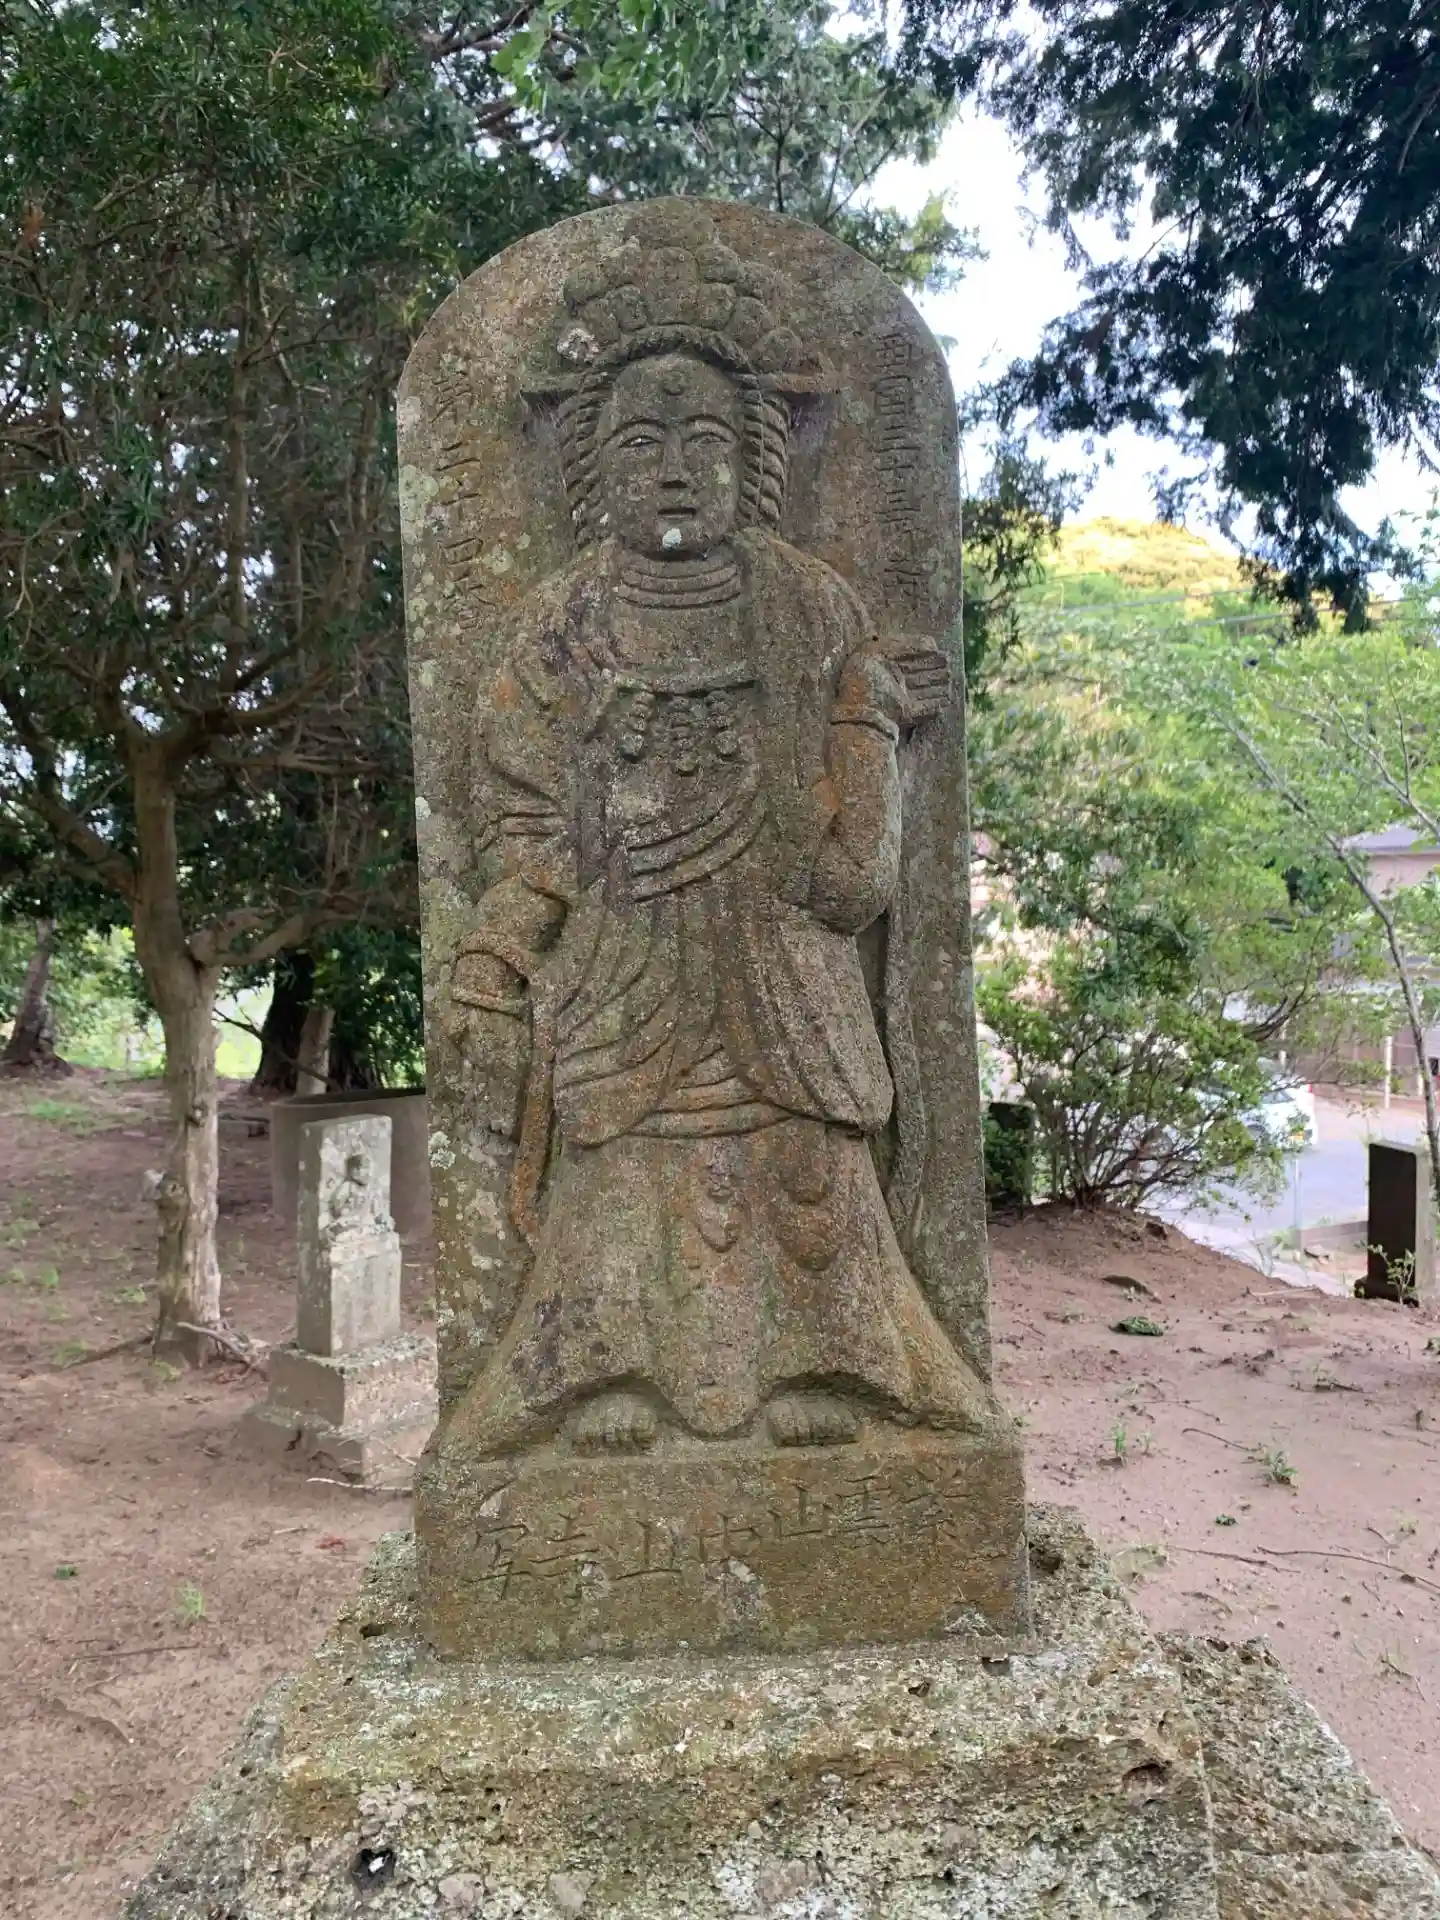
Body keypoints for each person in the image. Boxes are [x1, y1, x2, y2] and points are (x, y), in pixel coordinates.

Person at [443, 219, 990, 1460]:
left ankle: (829, 1360)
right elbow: (525, 819)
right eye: (642, 443)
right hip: (625, 959)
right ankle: (609, 1373)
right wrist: (498, 954)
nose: (677, 470)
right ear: (594, 465)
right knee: (620, 1170)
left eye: (705, 442)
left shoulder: (807, 603)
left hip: (780, 957)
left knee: (807, 1164)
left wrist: (865, 723)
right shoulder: (565, 620)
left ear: (754, 460)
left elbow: (852, 876)